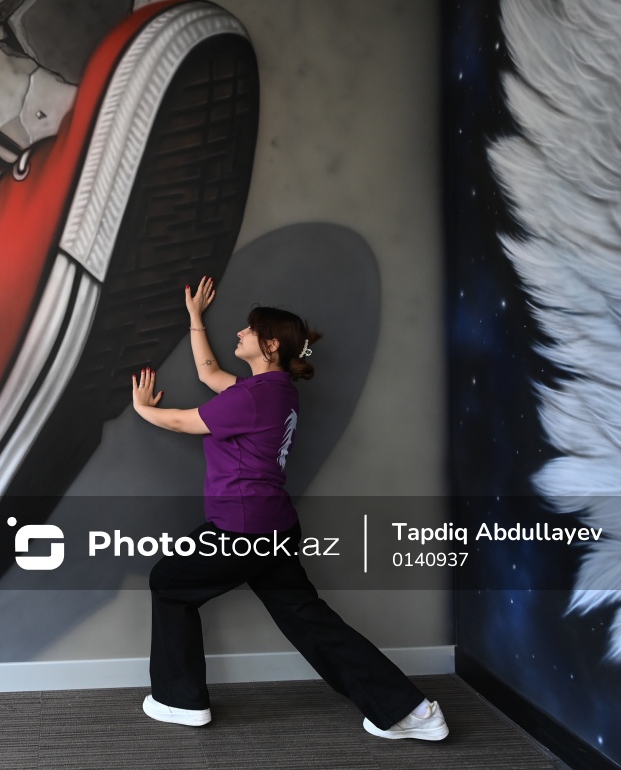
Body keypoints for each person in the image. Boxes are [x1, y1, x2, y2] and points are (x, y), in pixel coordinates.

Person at [129, 276, 449, 740]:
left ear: (271, 344)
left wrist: (142, 410)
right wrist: (195, 318)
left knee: (168, 583)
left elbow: (183, 422)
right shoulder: (274, 391)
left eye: (249, 329)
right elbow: (209, 375)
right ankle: (411, 711)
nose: (240, 332)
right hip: (272, 527)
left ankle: (181, 701)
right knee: (308, 621)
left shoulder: (254, 396)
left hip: (242, 529)